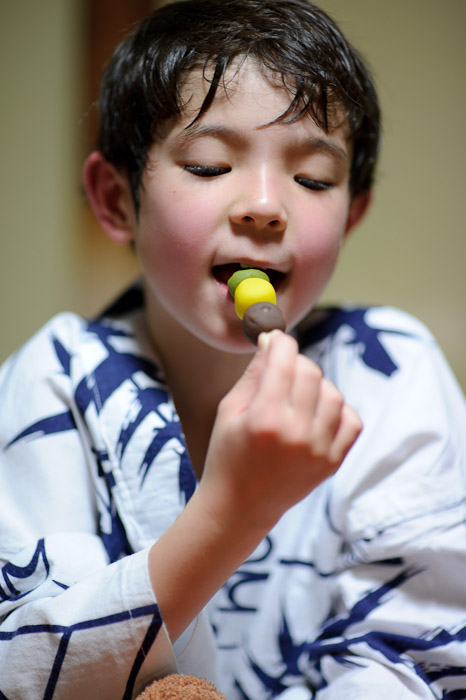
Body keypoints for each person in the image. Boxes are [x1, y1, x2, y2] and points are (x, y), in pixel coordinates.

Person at [0, 0, 465, 697]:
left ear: (351, 214)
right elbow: (23, 667)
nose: (265, 206)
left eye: (313, 179)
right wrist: (230, 512)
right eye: (210, 164)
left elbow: (418, 659)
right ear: (116, 199)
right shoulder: (53, 380)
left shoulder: (393, 372)